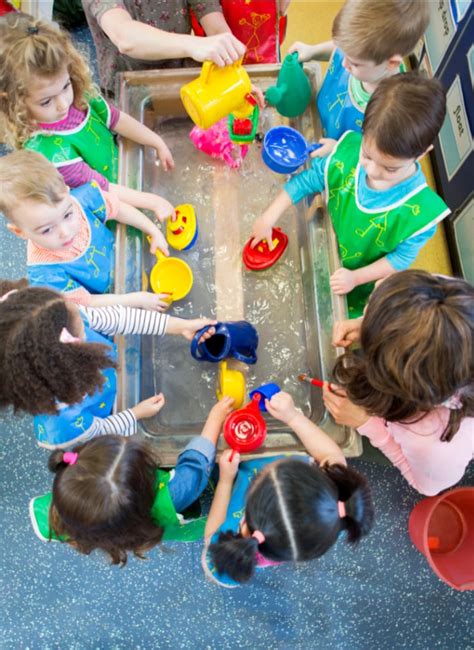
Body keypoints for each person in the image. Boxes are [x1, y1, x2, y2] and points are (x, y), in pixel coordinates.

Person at [251, 73, 450, 317]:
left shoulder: (420, 212)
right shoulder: (350, 149)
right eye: (367, 155)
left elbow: (400, 258)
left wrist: (356, 277)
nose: (372, 171)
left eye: (389, 168)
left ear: (422, 154)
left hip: (358, 279)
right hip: (331, 245)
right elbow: (309, 179)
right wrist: (269, 217)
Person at [0, 279, 218, 449]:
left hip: (105, 377)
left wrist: (181, 326)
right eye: (81, 330)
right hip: (106, 409)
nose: (85, 322)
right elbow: (101, 430)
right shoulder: (63, 425)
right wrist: (135, 414)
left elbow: (119, 318)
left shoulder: (59, 317)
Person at [0, 12, 176, 218]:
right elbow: (100, 188)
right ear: (13, 101)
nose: (63, 104)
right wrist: (151, 201)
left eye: (65, 86)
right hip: (109, 206)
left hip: (122, 177)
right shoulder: (49, 151)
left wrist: (156, 141)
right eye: (46, 101)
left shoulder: (80, 94)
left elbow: (115, 118)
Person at [324, 271, 474, 496]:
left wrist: (367, 423)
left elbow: (426, 487)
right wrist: (367, 325)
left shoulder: (436, 446)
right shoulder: (447, 298)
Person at [30, 399, 234, 563]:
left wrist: (135, 413)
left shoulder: (70, 502)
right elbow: (194, 469)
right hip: (170, 513)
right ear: (146, 484)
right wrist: (215, 418)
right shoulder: (172, 496)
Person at [202, 391, 374, 586]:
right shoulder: (332, 515)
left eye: (262, 476)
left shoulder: (232, 549)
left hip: (231, 473)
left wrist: (225, 480)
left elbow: (210, 535)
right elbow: (330, 454)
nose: (266, 469)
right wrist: (292, 417)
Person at [0, 150, 172, 310]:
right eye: (46, 230)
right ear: (19, 232)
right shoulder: (46, 274)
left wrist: (152, 230)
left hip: (124, 260)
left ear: (67, 191)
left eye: (67, 215)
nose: (66, 232)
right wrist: (135, 300)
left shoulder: (82, 200)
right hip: (113, 298)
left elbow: (118, 209)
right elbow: (88, 302)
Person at [289, 0, 429, 148]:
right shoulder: (361, 56)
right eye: (345, 53)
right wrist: (313, 51)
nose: (344, 64)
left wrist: (337, 151)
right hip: (318, 119)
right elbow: (341, 49)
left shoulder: (389, 111)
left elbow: (368, 156)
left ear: (391, 63)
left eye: (354, 63)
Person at [82, 0, 247, 96]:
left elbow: (213, 22)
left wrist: (232, 75)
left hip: (183, 80)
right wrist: (193, 44)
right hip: (130, 88)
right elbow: (125, 36)